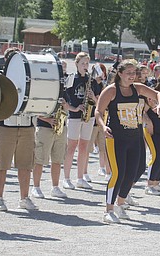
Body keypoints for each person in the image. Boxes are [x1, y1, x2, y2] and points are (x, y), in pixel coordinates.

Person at [95, 60, 160, 223]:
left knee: (135, 171)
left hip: (135, 136)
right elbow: (98, 111)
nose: (132, 76)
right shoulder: (111, 91)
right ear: (120, 74)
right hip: (115, 137)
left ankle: (120, 203)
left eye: (134, 73)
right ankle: (109, 210)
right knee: (118, 173)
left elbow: (158, 94)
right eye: (129, 73)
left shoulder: (138, 88)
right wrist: (103, 126)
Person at [0, 47, 38, 211]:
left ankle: (24, 198)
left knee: (26, 165)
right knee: (1, 164)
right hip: (5, 125)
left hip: (26, 125)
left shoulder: (30, 77)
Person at [62, 52, 101, 190]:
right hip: (75, 116)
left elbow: (98, 102)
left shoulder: (92, 80)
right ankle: (66, 178)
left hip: (88, 116)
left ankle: (80, 177)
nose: (85, 66)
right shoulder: (71, 79)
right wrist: (74, 108)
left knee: (84, 147)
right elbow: (64, 100)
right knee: (72, 146)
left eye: (87, 63)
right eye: (82, 63)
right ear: (76, 64)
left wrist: (93, 97)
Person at [31, 102, 68, 199]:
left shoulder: (64, 90)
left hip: (61, 127)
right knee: (39, 159)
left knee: (57, 159)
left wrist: (66, 105)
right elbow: (34, 110)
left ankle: (55, 187)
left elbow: (68, 107)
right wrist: (48, 120)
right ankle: (36, 187)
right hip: (44, 127)